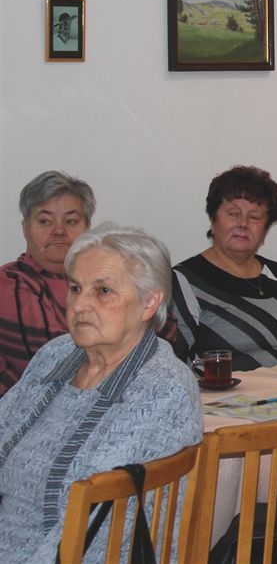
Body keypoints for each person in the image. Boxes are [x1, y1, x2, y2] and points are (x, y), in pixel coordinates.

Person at [0, 224, 203, 563]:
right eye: (75, 288)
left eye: (103, 291)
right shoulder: (56, 355)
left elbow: (96, 524)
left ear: (149, 302)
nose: (79, 304)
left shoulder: (162, 387)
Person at [171, 166, 277, 371]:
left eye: (255, 217)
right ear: (213, 220)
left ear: (265, 229)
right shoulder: (184, 280)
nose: (243, 223)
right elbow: (177, 363)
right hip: (229, 390)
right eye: (233, 214)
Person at [1, 170, 95, 396]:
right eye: (45, 221)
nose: (59, 231)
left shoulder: (101, 278)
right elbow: (61, 366)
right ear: (25, 228)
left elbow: (165, 334)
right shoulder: (11, 285)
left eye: (71, 221)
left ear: (87, 228)